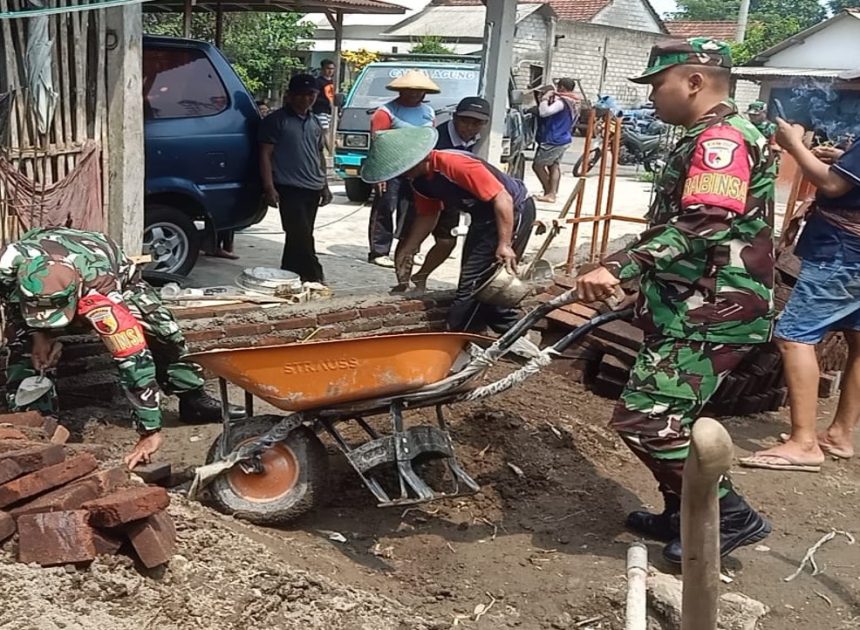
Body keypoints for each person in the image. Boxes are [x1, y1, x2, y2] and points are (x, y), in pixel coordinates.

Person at [575, 38, 776, 563]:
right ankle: (681, 508)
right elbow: (675, 224)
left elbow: (707, 220)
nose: (651, 98)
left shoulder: (723, 139)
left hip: (713, 310)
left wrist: (620, 267)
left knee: (648, 419)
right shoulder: (704, 134)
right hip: (690, 305)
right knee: (664, 419)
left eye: (657, 85)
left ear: (692, 82)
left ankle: (729, 515)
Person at [0, 227, 244, 469]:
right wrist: (38, 335)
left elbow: (132, 358)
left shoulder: (102, 292)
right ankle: (36, 427)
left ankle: (193, 398)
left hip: (114, 275)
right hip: (43, 266)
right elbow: (13, 310)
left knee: (165, 334)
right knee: (22, 351)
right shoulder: (8, 269)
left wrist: (150, 431)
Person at [739, 131, 860, 471]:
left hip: (844, 254)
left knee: (793, 336)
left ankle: (804, 443)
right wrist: (843, 158)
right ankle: (839, 435)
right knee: (858, 339)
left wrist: (794, 146)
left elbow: (834, 187)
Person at [362, 126, 535, 333]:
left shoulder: (454, 164)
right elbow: (428, 215)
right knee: (479, 280)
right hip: (483, 217)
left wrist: (504, 244)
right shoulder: (418, 181)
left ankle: (466, 332)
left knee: (478, 283)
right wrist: (410, 247)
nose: (403, 174)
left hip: (512, 210)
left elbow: (502, 198)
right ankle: (494, 331)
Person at [395, 96, 491, 294]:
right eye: (465, 121)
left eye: (476, 123)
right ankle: (403, 283)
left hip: (450, 193)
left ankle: (421, 276)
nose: (470, 127)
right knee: (411, 240)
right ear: (455, 118)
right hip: (420, 189)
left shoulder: (482, 140)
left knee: (447, 240)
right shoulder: (434, 139)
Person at [259, 74, 332, 284]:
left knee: (299, 236)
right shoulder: (276, 120)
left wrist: (325, 185)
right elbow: (265, 154)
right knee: (301, 235)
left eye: (310, 94)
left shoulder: (315, 121)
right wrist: (268, 187)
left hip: (313, 186)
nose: (305, 99)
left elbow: (319, 154)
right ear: (289, 96)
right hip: (289, 187)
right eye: (300, 94)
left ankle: (289, 274)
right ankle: (315, 275)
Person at [367, 70, 439, 268]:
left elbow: (429, 138)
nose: (414, 94)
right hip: (391, 167)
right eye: (409, 90)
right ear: (401, 90)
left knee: (413, 210)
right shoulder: (386, 112)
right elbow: (378, 143)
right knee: (385, 207)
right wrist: (379, 174)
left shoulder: (428, 112)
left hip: (417, 167)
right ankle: (379, 251)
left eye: (419, 91)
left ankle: (409, 248)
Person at [532, 78, 578, 203]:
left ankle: (550, 193)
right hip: (563, 138)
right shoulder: (572, 100)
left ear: (562, 87)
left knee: (538, 165)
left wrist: (545, 99)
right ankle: (551, 193)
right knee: (554, 166)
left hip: (553, 139)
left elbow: (544, 112)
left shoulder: (562, 102)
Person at [312, 59, 336, 131]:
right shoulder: (317, 82)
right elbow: (315, 97)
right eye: (328, 68)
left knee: (331, 130)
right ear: (322, 69)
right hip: (320, 110)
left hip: (331, 111)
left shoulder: (334, 82)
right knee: (325, 129)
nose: (330, 71)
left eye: (332, 69)